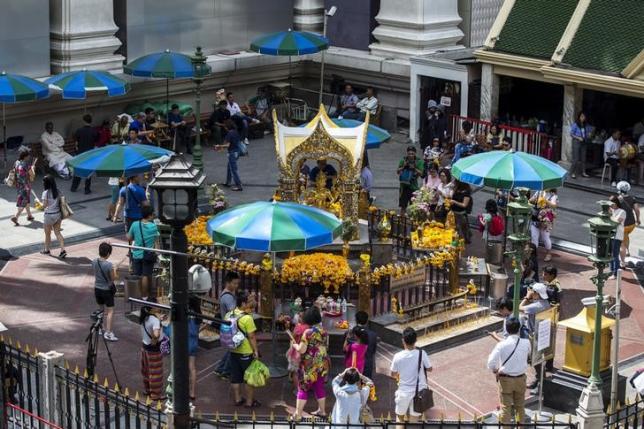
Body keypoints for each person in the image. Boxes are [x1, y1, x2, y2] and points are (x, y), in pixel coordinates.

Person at [486, 316, 531, 424]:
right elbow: (528, 355)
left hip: (506, 379)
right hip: (521, 378)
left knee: (505, 407)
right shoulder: (526, 342)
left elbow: (490, 363)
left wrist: (496, 370)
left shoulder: (501, 345)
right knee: (520, 406)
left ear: (506, 328)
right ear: (519, 328)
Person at [289, 307, 331, 420]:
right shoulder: (324, 331)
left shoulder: (307, 332)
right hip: (322, 364)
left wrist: (295, 345)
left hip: (309, 365)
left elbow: (302, 350)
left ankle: (297, 414)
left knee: (303, 388)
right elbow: (325, 347)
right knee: (319, 387)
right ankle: (322, 411)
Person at [390, 327, 432, 422]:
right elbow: (430, 369)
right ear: (416, 340)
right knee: (414, 419)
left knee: (400, 417)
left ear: (403, 340)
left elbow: (393, 374)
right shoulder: (422, 353)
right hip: (419, 391)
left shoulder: (398, 356)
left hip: (404, 391)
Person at [227, 290, 260, 408]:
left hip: (233, 350)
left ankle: (237, 399)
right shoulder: (247, 318)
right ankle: (249, 402)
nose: (251, 304)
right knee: (248, 378)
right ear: (243, 303)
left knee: (235, 377)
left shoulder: (229, 314)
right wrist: (255, 351)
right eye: (249, 302)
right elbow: (251, 336)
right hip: (245, 352)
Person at [519, 282, 551, 391]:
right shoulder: (545, 303)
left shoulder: (537, 306)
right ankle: (539, 379)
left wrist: (527, 297)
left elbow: (520, 307)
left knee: (535, 360)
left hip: (535, 336)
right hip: (542, 334)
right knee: (538, 360)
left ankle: (541, 383)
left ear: (536, 293)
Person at [127, 205, 159, 300]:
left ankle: (139, 294)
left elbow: (129, 237)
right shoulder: (153, 226)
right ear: (149, 216)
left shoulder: (135, 224)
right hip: (148, 255)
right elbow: (156, 239)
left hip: (136, 254)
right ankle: (145, 296)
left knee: (138, 275)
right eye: (152, 214)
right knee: (146, 275)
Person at [214, 272, 240, 379]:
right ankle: (226, 371)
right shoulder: (228, 297)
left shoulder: (225, 294)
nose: (236, 286)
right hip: (231, 326)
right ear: (228, 282)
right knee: (234, 350)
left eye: (237, 284)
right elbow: (234, 312)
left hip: (227, 325)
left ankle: (220, 369)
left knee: (231, 349)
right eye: (234, 283)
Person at [93, 242, 118, 341]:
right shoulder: (109, 265)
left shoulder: (94, 261)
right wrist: (115, 270)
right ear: (108, 253)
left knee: (101, 309)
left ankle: (100, 328)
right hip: (106, 290)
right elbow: (113, 278)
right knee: (110, 311)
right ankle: (108, 332)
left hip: (97, 288)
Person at [139, 306, 165, 400]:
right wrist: (155, 339)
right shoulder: (154, 320)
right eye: (156, 305)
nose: (158, 306)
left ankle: (147, 390)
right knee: (155, 372)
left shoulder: (143, 317)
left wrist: (159, 320)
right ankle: (155, 394)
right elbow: (157, 334)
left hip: (145, 347)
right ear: (152, 309)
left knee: (146, 370)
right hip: (154, 349)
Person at [71, 114, 98, 194]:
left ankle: (74, 187)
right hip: (90, 153)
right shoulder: (94, 131)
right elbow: (96, 140)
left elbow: (75, 141)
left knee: (78, 170)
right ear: (91, 121)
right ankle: (87, 189)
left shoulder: (79, 130)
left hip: (80, 153)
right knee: (88, 171)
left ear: (83, 121)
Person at [41, 174, 66, 258]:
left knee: (47, 234)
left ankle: (47, 250)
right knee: (57, 232)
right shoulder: (58, 191)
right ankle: (62, 250)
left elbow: (44, 205)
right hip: (58, 214)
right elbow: (62, 201)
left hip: (48, 216)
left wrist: (39, 203)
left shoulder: (45, 193)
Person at [529, 189, 558, 262]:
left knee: (545, 237)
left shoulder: (553, 195)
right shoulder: (539, 191)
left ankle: (548, 253)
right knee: (534, 237)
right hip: (535, 217)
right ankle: (533, 254)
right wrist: (533, 200)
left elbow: (554, 205)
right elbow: (531, 200)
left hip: (545, 220)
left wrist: (545, 200)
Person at [215, 119, 244, 191]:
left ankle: (239, 185)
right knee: (229, 167)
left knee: (233, 169)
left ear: (227, 127)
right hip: (237, 152)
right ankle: (228, 182)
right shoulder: (235, 132)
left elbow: (227, 145)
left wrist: (219, 146)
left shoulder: (229, 134)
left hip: (232, 153)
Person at [10, 150, 35, 226]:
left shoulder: (17, 162)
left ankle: (29, 215)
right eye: (28, 156)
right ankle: (16, 217)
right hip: (25, 186)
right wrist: (33, 168)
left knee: (26, 200)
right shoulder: (26, 165)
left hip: (19, 185)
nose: (29, 157)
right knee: (23, 202)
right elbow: (32, 176)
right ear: (25, 157)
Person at [397, 146, 424, 214]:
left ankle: (413, 222)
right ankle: (402, 221)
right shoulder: (403, 160)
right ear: (407, 153)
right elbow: (397, 171)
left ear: (415, 153)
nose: (410, 155)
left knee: (413, 207)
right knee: (403, 206)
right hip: (404, 187)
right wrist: (404, 167)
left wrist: (414, 168)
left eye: (412, 153)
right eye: (409, 154)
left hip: (413, 187)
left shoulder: (419, 161)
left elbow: (421, 174)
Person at [616, 181, 640, 257]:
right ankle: (627, 250)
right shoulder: (632, 198)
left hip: (623, 225)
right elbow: (636, 209)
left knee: (621, 243)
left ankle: (624, 256)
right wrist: (638, 219)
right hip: (631, 224)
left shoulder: (617, 199)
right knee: (626, 236)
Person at [188, 295, 202, 400]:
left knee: (180, 367)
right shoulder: (198, 315)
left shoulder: (186, 314)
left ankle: (180, 389)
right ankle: (192, 392)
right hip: (194, 343)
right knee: (192, 368)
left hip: (184, 342)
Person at [569, 111, 591, 179]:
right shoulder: (575, 124)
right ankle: (572, 172)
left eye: (584, 117)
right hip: (576, 141)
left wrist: (589, 135)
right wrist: (578, 137)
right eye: (581, 116)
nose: (583, 118)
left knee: (583, 158)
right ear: (579, 117)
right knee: (576, 158)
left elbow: (588, 132)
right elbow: (571, 134)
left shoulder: (586, 125)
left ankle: (584, 172)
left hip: (584, 141)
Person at [609, 195, 626, 279]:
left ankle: (615, 273)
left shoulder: (622, 212)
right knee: (609, 254)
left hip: (617, 236)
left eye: (612, 203)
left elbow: (616, 221)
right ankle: (611, 271)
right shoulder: (611, 211)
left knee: (614, 254)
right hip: (610, 235)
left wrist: (610, 216)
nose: (611, 205)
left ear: (616, 203)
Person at [451, 180, 473, 244]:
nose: (454, 181)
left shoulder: (466, 192)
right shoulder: (456, 188)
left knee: (461, 229)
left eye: (456, 181)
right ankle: (455, 242)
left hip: (460, 214)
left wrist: (454, 202)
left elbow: (464, 205)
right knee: (455, 229)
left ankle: (463, 241)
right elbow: (452, 196)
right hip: (453, 212)